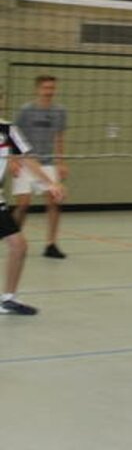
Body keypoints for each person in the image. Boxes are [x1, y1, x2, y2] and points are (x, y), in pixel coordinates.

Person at [0, 117, 66, 315]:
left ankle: (8, 300)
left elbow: (28, 158)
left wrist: (50, 184)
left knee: (18, 245)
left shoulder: (8, 129)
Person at [12, 75, 69, 258]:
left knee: (54, 202)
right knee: (23, 205)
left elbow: (59, 137)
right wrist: (13, 160)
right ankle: (14, 237)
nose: (49, 92)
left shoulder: (59, 111)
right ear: (37, 89)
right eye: (46, 88)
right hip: (25, 161)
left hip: (48, 162)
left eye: (52, 88)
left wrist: (61, 162)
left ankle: (51, 244)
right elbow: (13, 135)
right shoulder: (26, 111)